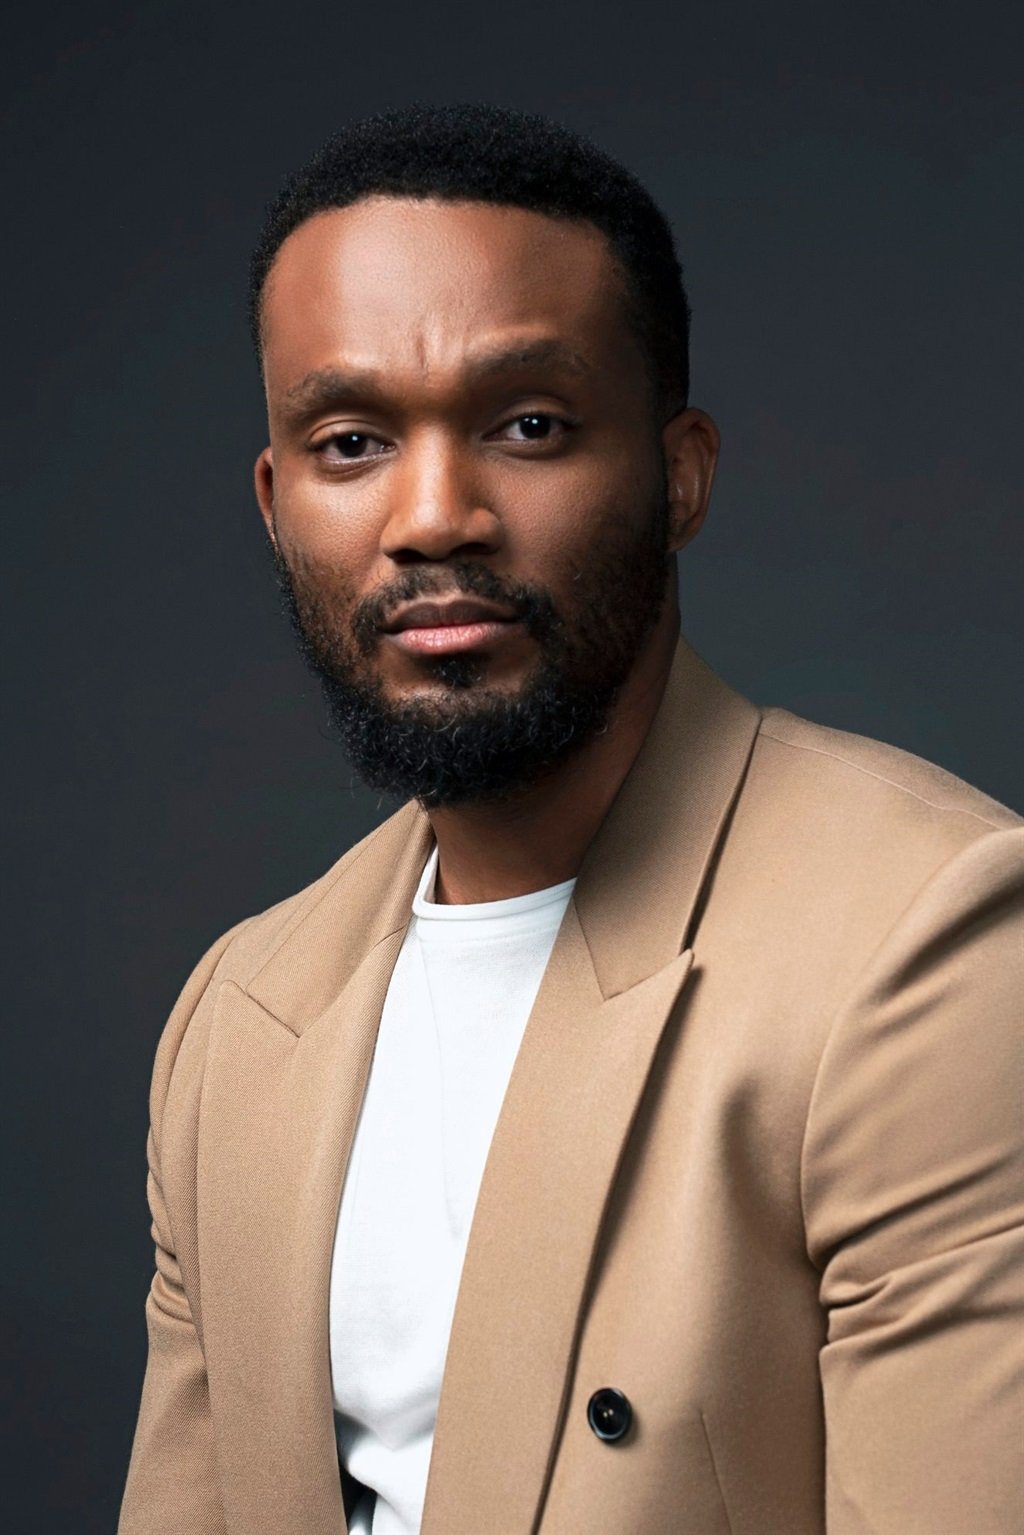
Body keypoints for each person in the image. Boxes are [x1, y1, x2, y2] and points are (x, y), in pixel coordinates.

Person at [118, 104, 1022, 1535]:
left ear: (680, 475)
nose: (433, 516)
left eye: (528, 425)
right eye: (351, 443)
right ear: (277, 504)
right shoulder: (238, 1020)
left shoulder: (930, 951)